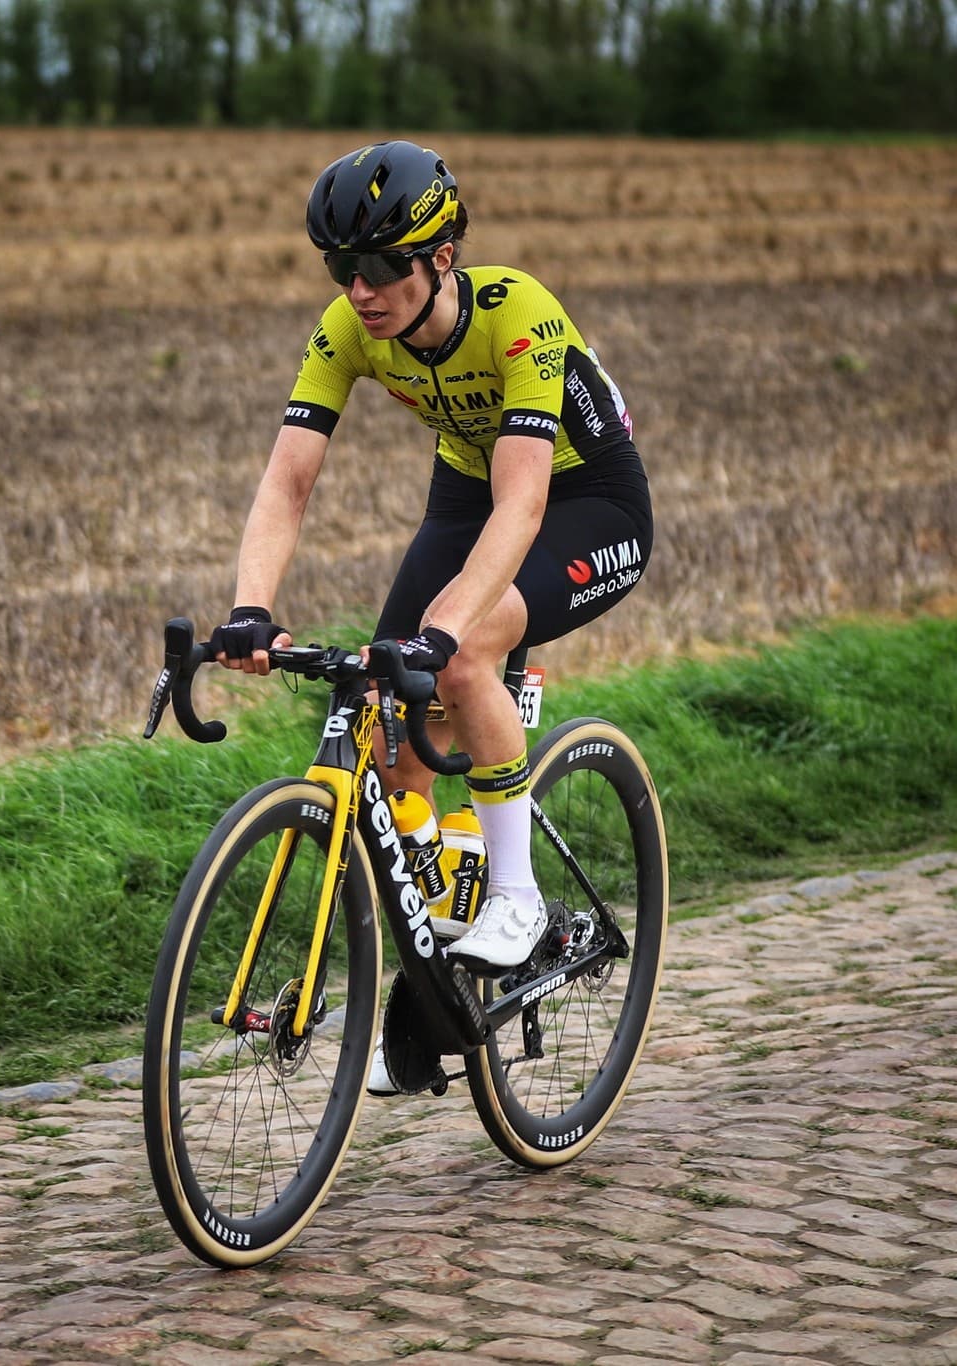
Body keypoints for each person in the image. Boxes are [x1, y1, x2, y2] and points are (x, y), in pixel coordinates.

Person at [208, 140, 654, 1091]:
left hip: (586, 498)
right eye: (342, 268)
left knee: (457, 659)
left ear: (440, 259)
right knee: (388, 711)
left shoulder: (517, 315)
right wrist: (250, 607)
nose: (360, 291)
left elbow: (525, 508)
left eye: (379, 268)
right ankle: (426, 976)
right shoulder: (348, 328)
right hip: (463, 493)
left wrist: (449, 629)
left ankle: (521, 902)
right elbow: (288, 479)